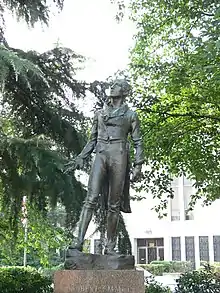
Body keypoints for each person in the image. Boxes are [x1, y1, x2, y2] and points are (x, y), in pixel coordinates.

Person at [67, 79, 144, 255]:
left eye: (116, 86)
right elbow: (92, 140)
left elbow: (138, 141)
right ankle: (78, 242)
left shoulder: (130, 115)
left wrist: (138, 165)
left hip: (119, 155)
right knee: (91, 198)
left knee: (114, 204)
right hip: (101, 155)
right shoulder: (100, 113)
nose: (112, 88)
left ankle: (110, 247)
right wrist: (81, 157)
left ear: (124, 91)